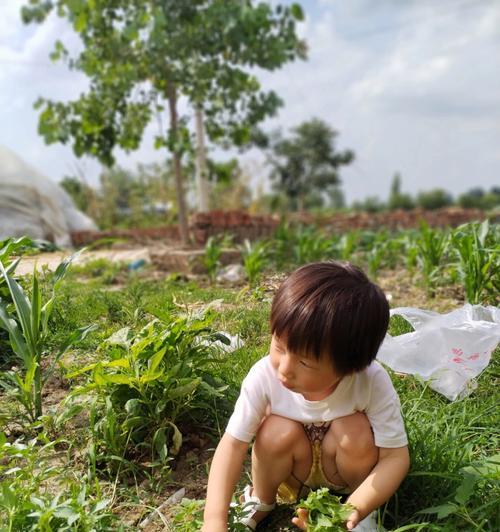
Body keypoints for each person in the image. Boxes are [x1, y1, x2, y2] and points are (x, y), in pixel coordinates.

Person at [202, 261, 410, 531]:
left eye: (306, 363)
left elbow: (395, 457)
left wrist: (355, 506)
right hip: (292, 473)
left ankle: (359, 515)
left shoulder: (370, 381)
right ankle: (262, 501)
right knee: (275, 430)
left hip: (344, 471)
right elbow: (232, 446)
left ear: (350, 367)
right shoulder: (263, 376)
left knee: (354, 429)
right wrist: (214, 521)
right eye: (279, 346)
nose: (284, 369)